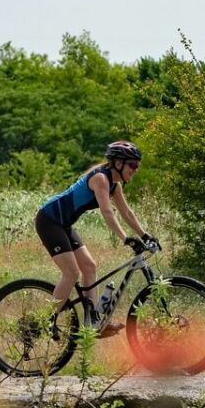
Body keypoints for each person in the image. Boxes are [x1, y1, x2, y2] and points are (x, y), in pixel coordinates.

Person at [34, 141, 154, 336]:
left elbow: (127, 213)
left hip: (63, 224)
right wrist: (125, 238)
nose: (136, 169)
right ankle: (46, 320)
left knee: (89, 267)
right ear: (118, 163)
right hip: (49, 221)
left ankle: (93, 323)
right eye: (133, 165)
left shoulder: (115, 185)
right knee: (71, 273)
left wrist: (145, 235)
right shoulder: (100, 179)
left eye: (137, 166)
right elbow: (107, 212)